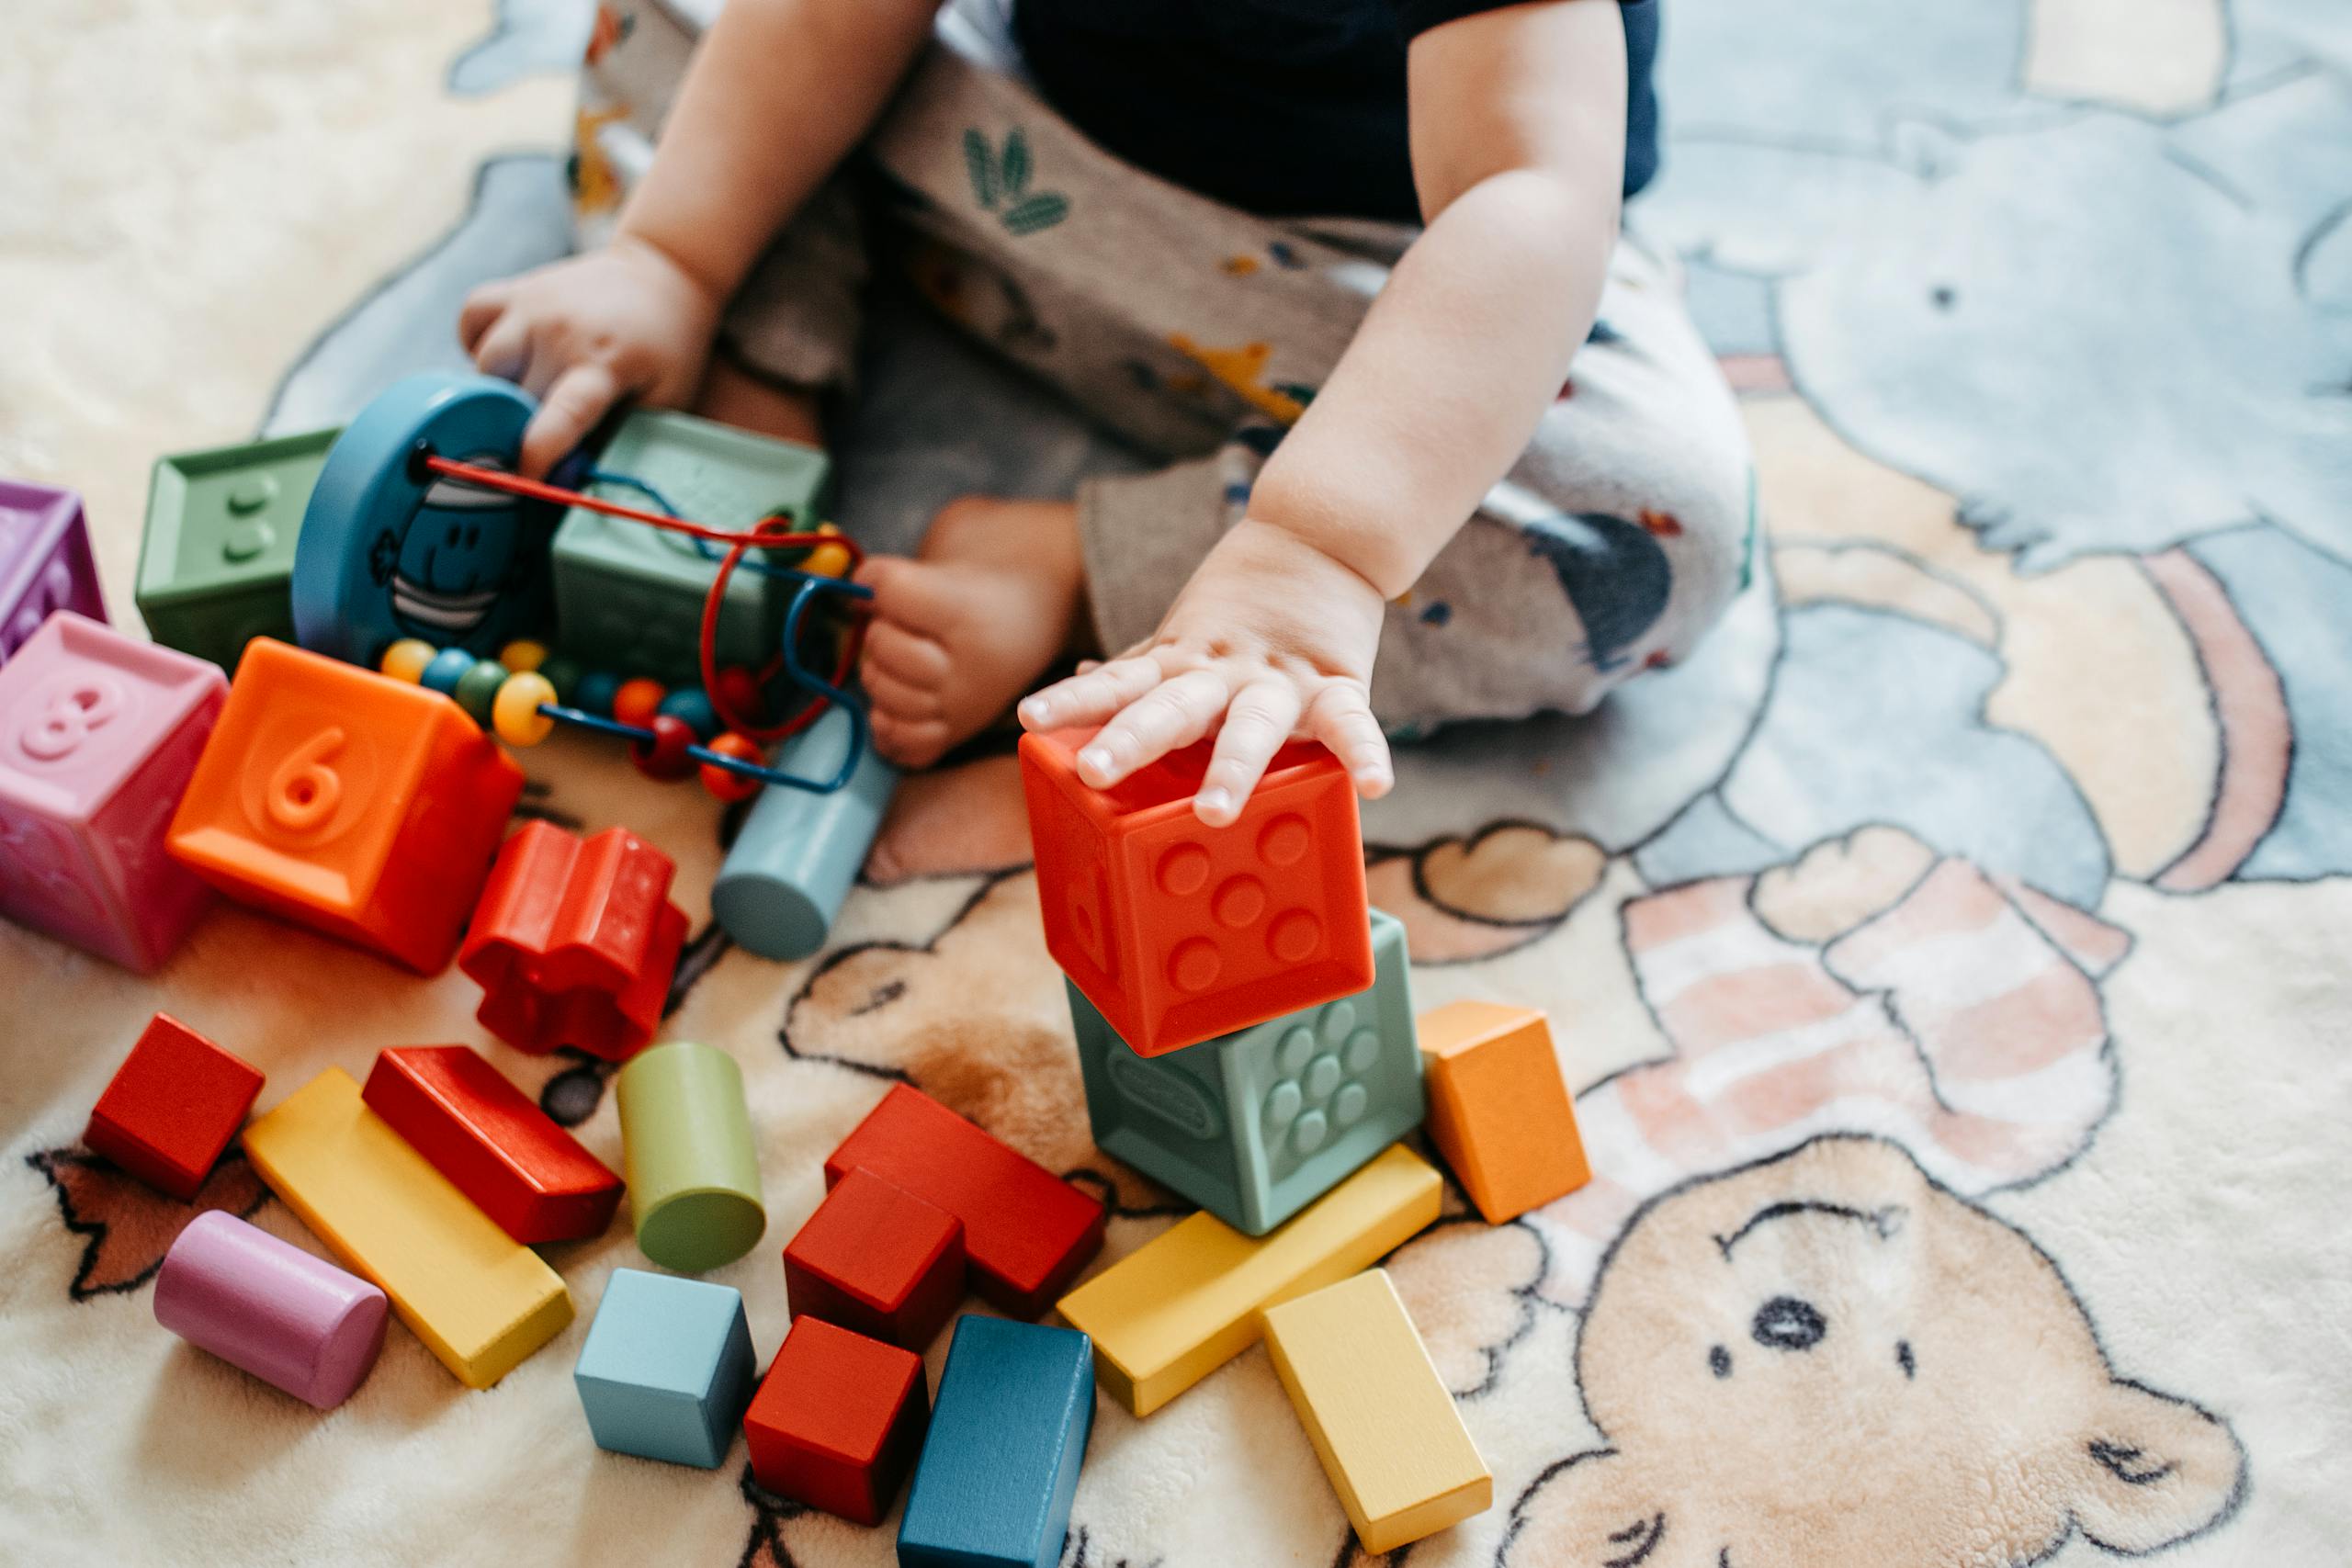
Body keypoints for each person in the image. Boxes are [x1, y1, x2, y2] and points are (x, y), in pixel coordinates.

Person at [459, 0, 1751, 824]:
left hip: (1387, 294)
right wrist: (675, 253)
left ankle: (1080, 568)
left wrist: (1312, 554)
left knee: (1657, 528)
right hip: (1020, 160)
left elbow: (1521, 196)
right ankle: (755, 382)